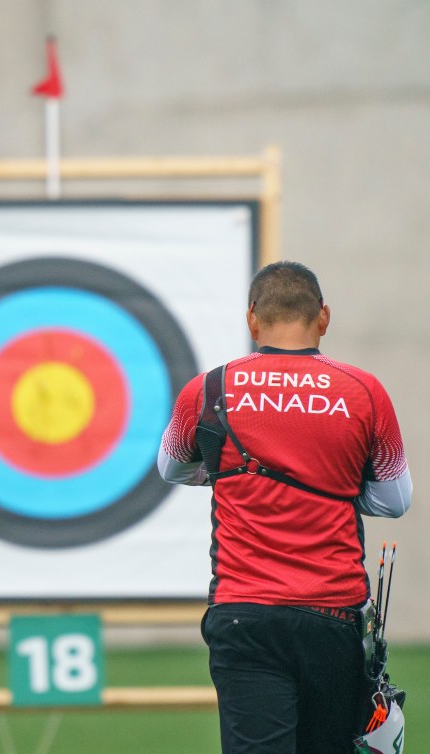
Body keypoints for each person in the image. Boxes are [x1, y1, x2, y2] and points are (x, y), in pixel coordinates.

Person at [157, 261, 411, 754]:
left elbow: (171, 468)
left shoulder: (208, 389)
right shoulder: (363, 391)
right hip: (332, 616)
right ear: (324, 317)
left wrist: (226, 475)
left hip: (243, 615)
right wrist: (332, 481)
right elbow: (394, 500)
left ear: (252, 319)